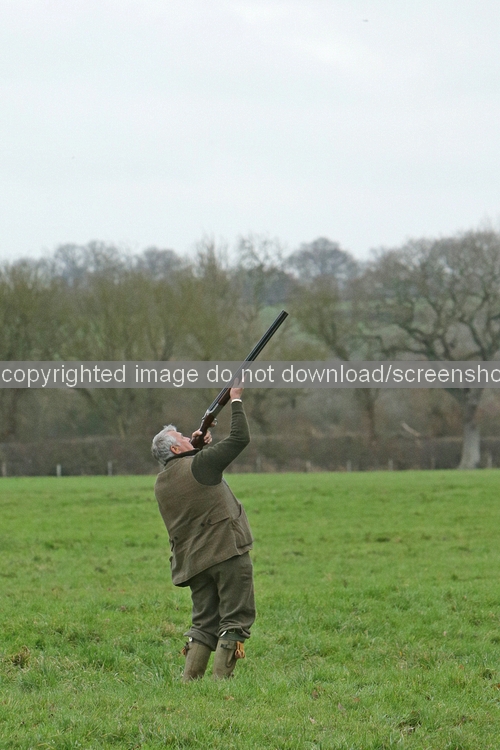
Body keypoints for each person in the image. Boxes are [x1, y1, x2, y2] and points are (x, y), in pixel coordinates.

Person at [151, 383, 255, 681]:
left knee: (204, 623)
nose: (189, 437)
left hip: (194, 563)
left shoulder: (162, 483)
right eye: (183, 438)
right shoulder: (201, 465)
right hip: (226, 552)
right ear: (175, 449)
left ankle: (191, 681)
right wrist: (236, 401)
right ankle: (222, 685)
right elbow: (240, 438)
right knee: (235, 618)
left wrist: (196, 447)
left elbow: (193, 475)